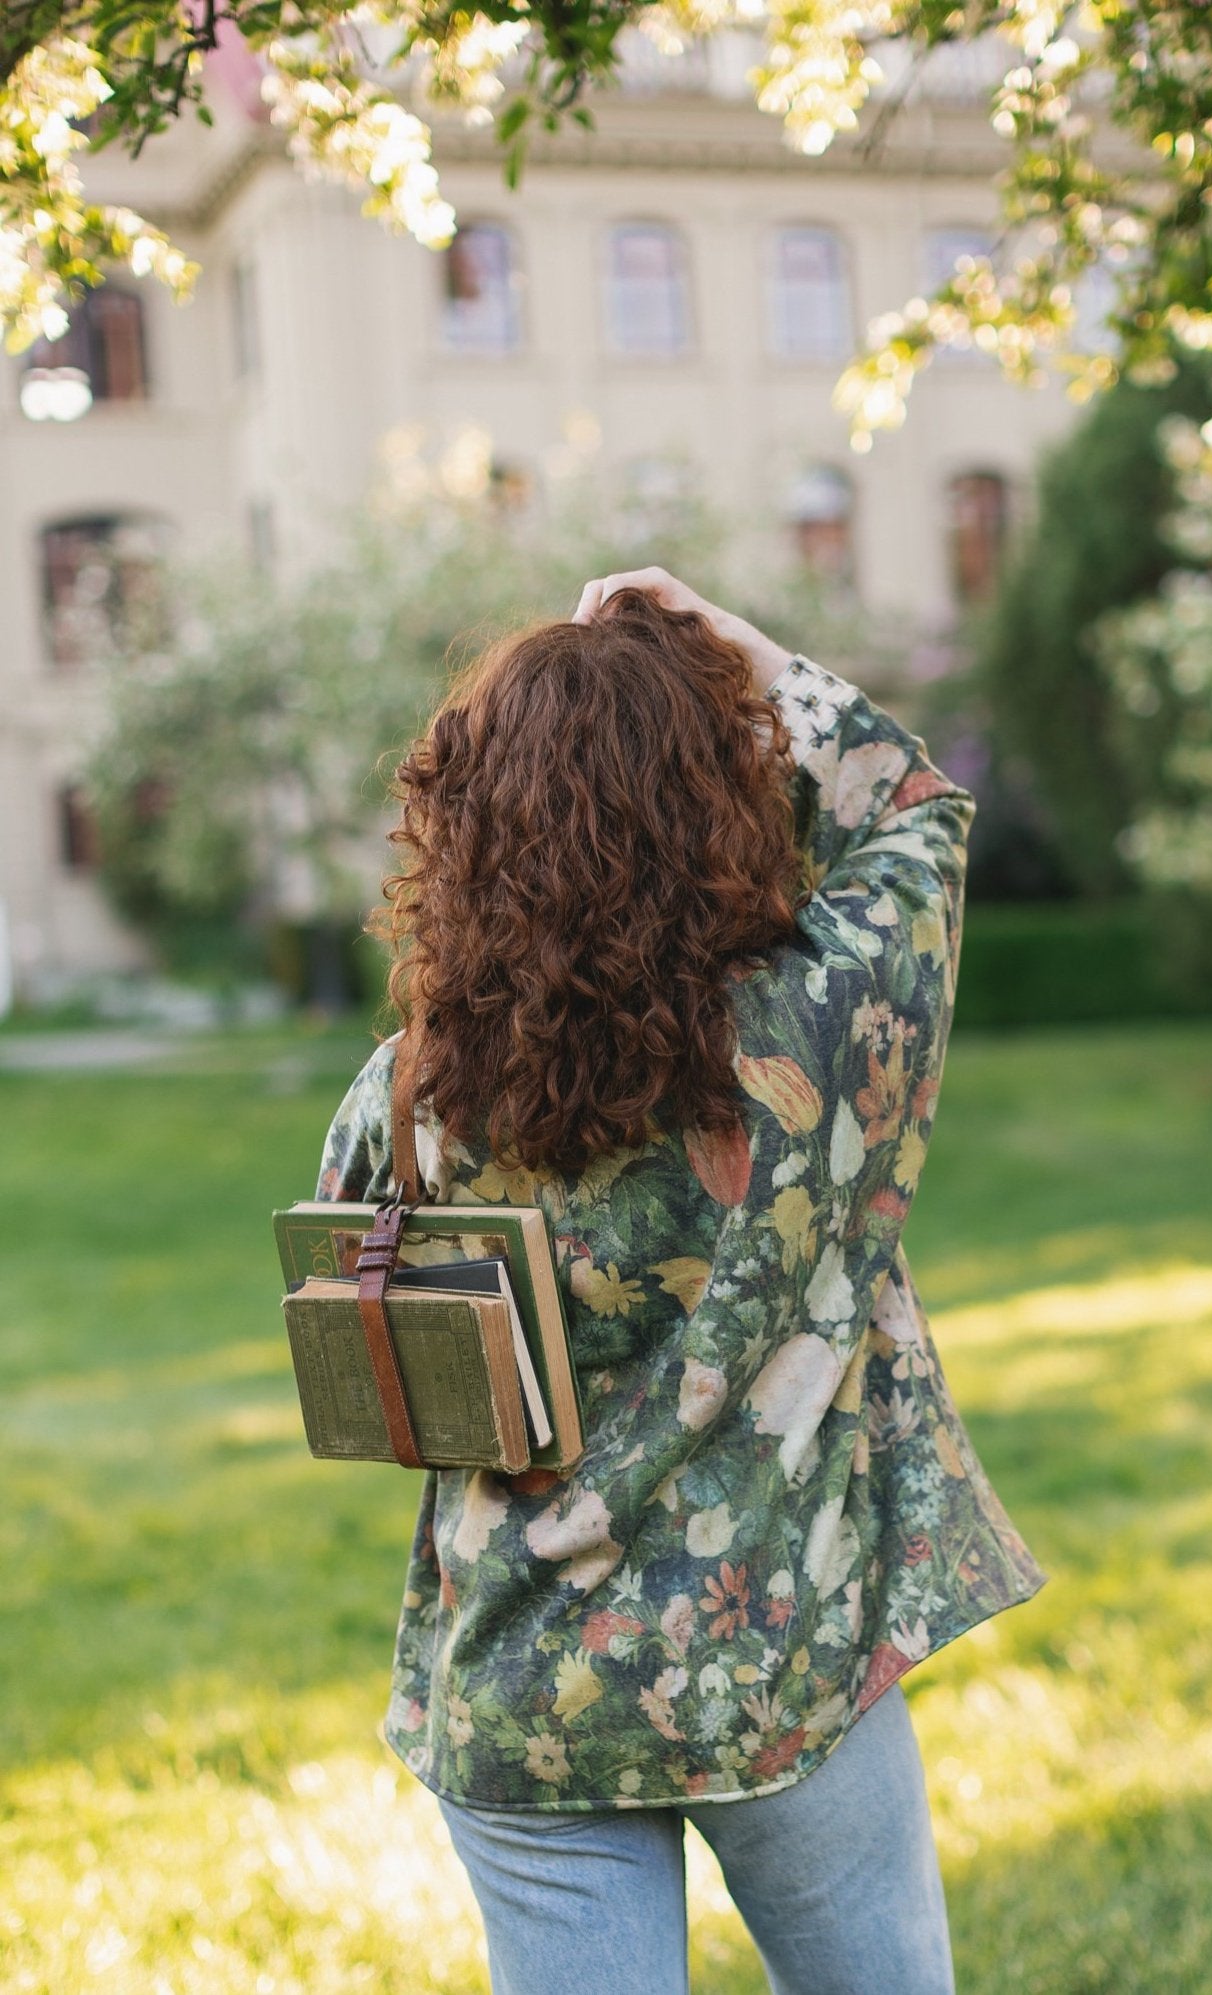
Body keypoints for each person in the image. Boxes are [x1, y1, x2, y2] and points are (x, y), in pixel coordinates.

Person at [315, 569, 1047, 1995]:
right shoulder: (819, 1035)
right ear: (719, 800)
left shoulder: (411, 1095)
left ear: (471, 828)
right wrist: (746, 652)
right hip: (778, 1656)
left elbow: (360, 1295)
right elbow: (913, 815)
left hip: (523, 1683)